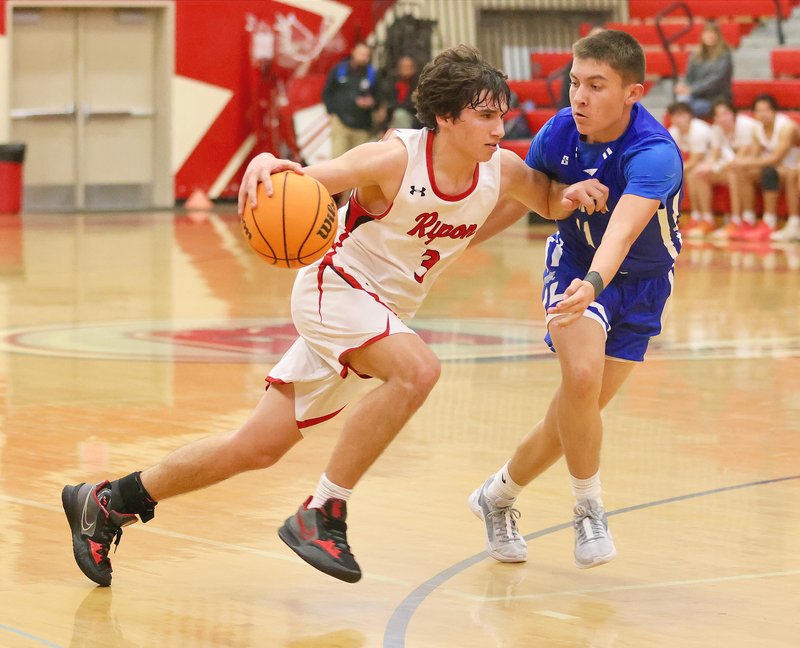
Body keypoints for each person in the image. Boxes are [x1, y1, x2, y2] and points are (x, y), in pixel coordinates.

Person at [61, 45, 608, 587]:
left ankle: (109, 501)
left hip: (379, 312)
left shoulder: (501, 169)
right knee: (418, 371)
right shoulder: (394, 159)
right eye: (485, 115)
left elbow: (546, 197)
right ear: (446, 117)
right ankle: (323, 511)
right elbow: (311, 176)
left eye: (502, 116)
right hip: (335, 288)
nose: (498, 127)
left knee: (254, 448)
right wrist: (265, 162)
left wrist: (573, 193)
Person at [468, 29, 683, 570]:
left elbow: (624, 231)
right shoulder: (559, 131)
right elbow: (528, 196)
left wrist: (598, 280)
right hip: (573, 269)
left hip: (638, 283)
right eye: (573, 82)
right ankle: (589, 509)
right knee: (581, 381)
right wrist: (457, 243)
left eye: (596, 85)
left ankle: (495, 497)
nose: (578, 97)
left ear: (634, 92)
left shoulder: (654, 152)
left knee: (571, 416)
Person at [728, 93, 800, 242]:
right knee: (745, 172)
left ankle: (780, 223)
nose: (762, 114)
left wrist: (745, 162)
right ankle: (748, 219)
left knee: (771, 172)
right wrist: (741, 163)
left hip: (793, 167)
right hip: (778, 169)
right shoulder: (757, 129)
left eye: (766, 110)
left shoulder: (787, 127)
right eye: (758, 111)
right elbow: (755, 156)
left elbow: (776, 158)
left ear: (774, 111)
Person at [692, 99, 761, 240]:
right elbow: (714, 153)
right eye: (718, 115)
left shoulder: (746, 126)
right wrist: (707, 166)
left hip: (753, 166)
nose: (722, 118)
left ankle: (737, 220)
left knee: (733, 173)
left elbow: (743, 155)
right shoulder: (716, 129)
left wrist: (718, 166)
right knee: (698, 174)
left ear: (733, 114)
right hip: (732, 166)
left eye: (725, 114)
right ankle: (706, 220)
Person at [322, 42, 379, 159]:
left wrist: (371, 103)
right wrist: (331, 113)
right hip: (340, 122)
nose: (364, 57)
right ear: (353, 52)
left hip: (362, 125)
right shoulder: (339, 69)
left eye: (367, 55)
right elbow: (327, 92)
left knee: (359, 162)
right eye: (361, 54)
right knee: (338, 159)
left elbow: (378, 97)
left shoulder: (372, 74)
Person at [666, 101, 714, 237]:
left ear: (689, 116)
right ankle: (694, 217)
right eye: (674, 116)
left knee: (695, 174)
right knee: (688, 174)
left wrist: (675, 173)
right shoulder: (673, 132)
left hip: (716, 162)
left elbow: (695, 160)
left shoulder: (699, 130)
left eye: (681, 115)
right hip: (700, 165)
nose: (678, 120)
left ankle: (707, 219)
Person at [674, 21, 733, 119]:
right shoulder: (696, 55)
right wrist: (682, 85)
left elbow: (716, 81)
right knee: (680, 103)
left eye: (713, 33)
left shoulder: (725, 55)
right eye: (707, 33)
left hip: (716, 98)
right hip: (696, 96)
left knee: (687, 109)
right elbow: (689, 77)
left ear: (718, 36)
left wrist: (691, 90)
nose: (710, 36)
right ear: (702, 36)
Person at [375, 54, 422, 132]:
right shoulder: (393, 84)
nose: (406, 70)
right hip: (392, 119)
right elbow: (388, 104)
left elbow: (413, 105)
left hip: (413, 121)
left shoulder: (418, 85)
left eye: (408, 67)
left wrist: (394, 107)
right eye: (403, 67)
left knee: (400, 114)